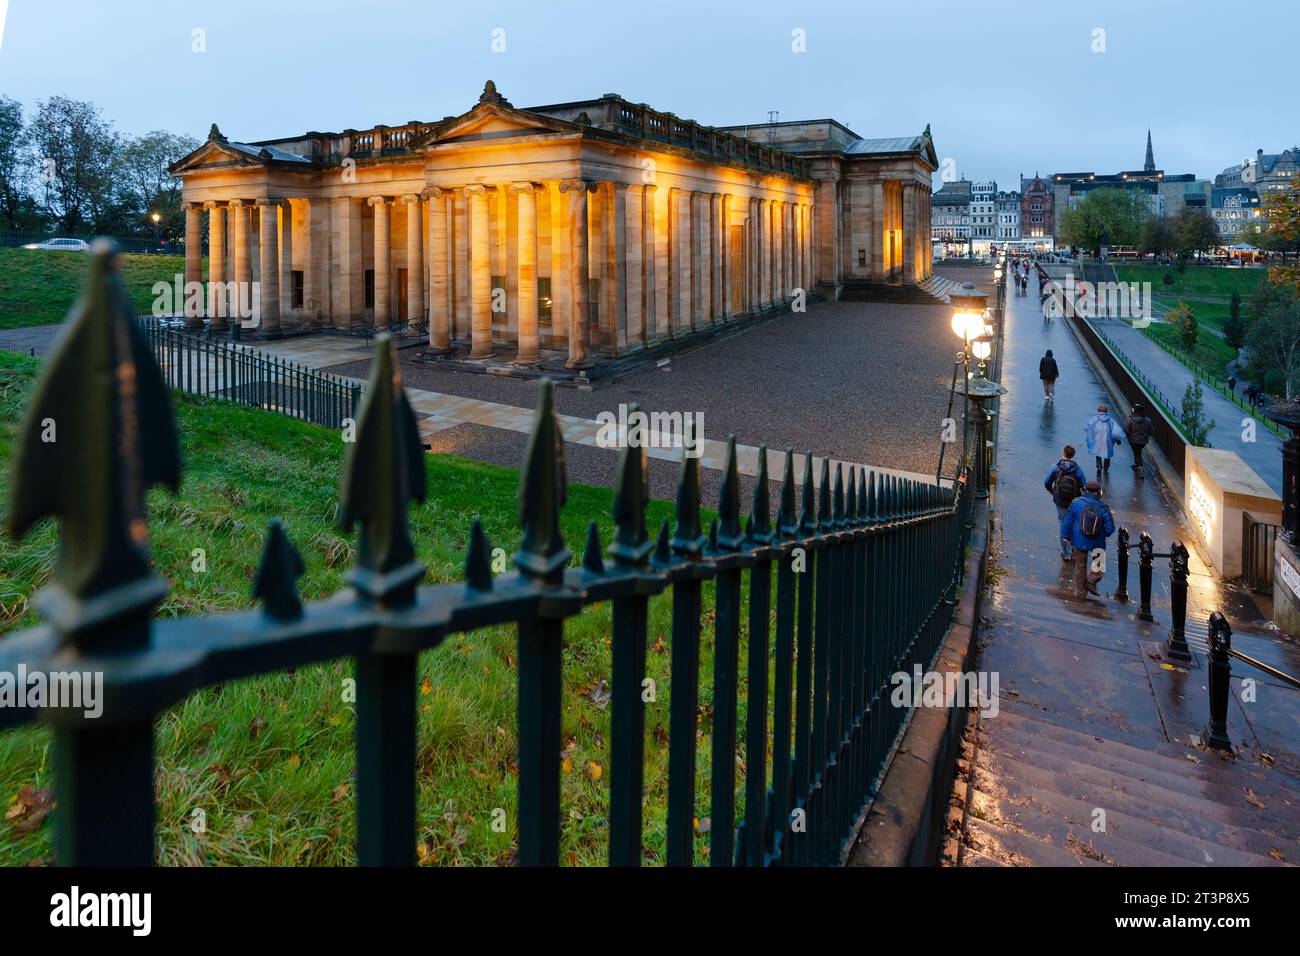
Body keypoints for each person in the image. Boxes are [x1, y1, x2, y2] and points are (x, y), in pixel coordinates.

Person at [1061, 480, 1116, 598]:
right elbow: (1110, 528)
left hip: (1078, 540)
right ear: (1098, 493)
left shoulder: (1076, 503)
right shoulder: (1103, 507)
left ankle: (1080, 593)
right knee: (1099, 565)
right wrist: (1103, 534)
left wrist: (1065, 536)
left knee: (1080, 566)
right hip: (1097, 541)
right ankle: (1091, 581)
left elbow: (1068, 521)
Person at [1044, 445, 1086, 561]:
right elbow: (1084, 486)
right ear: (1073, 455)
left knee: (1063, 523)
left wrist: (1053, 492)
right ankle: (1073, 547)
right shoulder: (1078, 469)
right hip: (1074, 500)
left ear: (1063, 453)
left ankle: (1066, 553)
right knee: (1074, 523)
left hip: (1060, 500)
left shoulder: (1056, 467)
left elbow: (1047, 482)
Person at [1084, 404, 1124, 480]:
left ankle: (1099, 467)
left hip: (1097, 440)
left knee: (1098, 453)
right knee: (1107, 454)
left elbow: (1088, 427)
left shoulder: (1095, 419)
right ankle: (1106, 467)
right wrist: (1118, 440)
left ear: (1099, 411)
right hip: (1108, 441)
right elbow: (1115, 432)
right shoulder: (1110, 421)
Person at [1124, 403, 1154, 479]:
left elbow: (1126, 431)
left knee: (1137, 454)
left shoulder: (1130, 420)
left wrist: (1128, 436)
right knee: (1138, 452)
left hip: (1133, 440)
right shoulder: (1147, 420)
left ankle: (1140, 470)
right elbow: (1152, 431)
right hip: (1143, 441)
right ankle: (1136, 464)